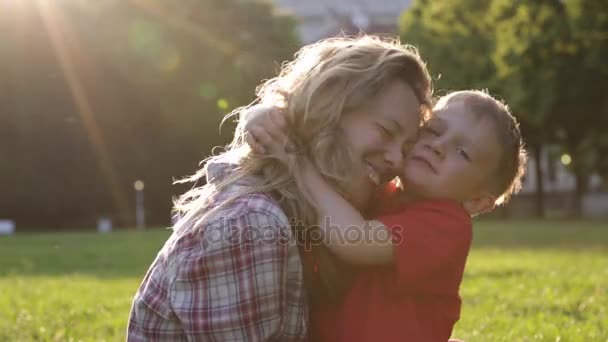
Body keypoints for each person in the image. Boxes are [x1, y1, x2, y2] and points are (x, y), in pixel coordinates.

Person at [127, 35, 432, 340]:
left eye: (406, 148)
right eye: (386, 130)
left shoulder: (313, 211)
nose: (395, 159)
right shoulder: (251, 224)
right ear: (329, 108)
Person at [244, 89, 527, 341]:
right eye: (434, 130)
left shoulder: (447, 225)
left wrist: (297, 164)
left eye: (462, 152)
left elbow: (355, 240)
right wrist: (263, 116)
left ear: (477, 200)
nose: (438, 146)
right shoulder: (380, 190)